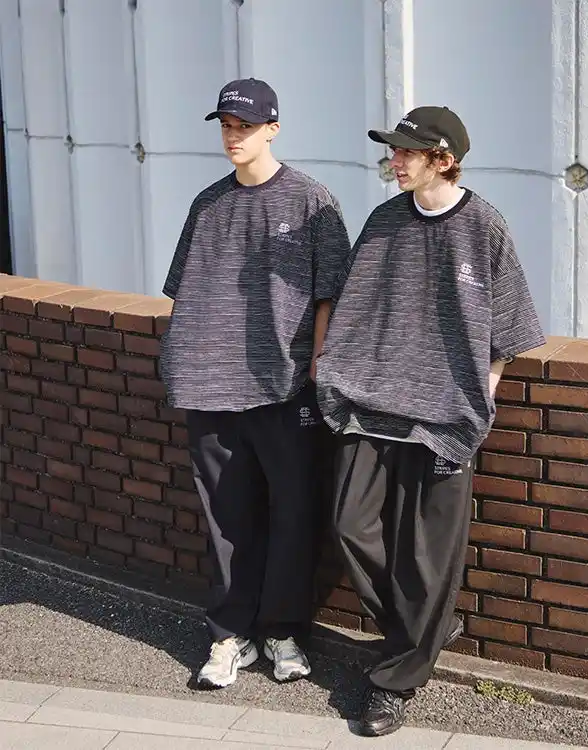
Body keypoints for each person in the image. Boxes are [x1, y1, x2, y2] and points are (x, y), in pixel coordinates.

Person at [316, 106, 545, 737]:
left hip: (446, 417)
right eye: (393, 150)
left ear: (442, 160)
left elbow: (508, 330)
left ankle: (397, 680)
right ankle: (423, 630)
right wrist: (333, 375)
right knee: (350, 526)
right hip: (371, 408)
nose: (393, 160)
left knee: (427, 558)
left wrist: (480, 400)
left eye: (405, 152)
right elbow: (354, 306)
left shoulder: (484, 226)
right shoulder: (385, 220)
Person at [160, 78, 351, 689]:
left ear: (273, 128)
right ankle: (229, 635)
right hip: (209, 385)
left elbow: (332, 293)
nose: (232, 136)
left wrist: (318, 363)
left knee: (294, 513)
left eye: (244, 126)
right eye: (225, 125)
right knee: (226, 518)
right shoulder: (208, 204)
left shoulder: (311, 200)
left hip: (285, 386)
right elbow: (183, 290)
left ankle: (283, 631)